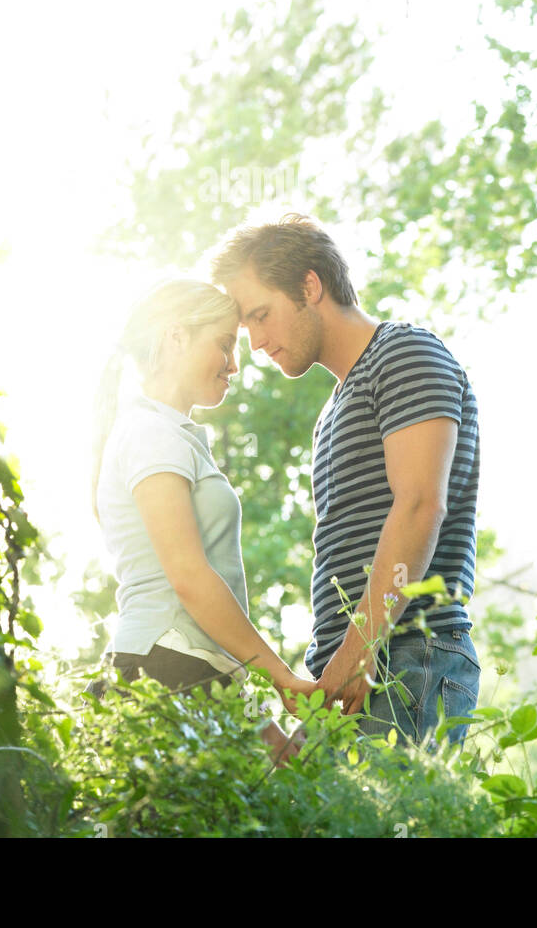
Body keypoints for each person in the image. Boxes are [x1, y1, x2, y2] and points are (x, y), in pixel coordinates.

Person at [210, 214, 482, 749]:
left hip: (406, 654)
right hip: (346, 670)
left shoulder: (404, 353)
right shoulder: (332, 409)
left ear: (310, 286)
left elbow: (421, 505)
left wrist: (360, 649)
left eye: (261, 316)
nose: (258, 342)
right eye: (248, 327)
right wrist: (336, 665)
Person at [90, 278, 317, 764]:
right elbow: (189, 580)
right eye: (224, 344)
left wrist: (264, 728)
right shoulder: (151, 433)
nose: (234, 365)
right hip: (159, 670)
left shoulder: (171, 434)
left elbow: (201, 642)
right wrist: (281, 675)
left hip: (187, 671)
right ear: (175, 338)